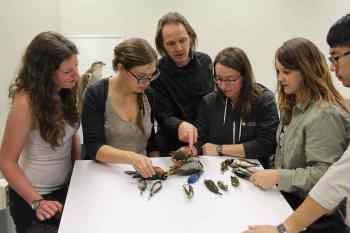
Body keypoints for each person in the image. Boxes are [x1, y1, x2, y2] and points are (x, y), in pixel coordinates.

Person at [243, 14, 350, 233]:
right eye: (279, 72)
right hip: (288, 201)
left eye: (287, 72)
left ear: (307, 70)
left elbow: (326, 176)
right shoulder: (291, 106)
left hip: (314, 217)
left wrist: (278, 176)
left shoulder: (324, 114)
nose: (281, 78)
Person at [0, 31, 81, 233]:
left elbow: (70, 136)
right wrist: (37, 202)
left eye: (76, 67)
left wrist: (78, 173)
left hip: (62, 189)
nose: (76, 75)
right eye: (67, 71)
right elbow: (6, 162)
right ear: (46, 73)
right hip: (33, 198)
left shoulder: (64, 91)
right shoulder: (25, 103)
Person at [82, 38, 159, 178]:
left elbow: (150, 140)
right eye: (141, 76)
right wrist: (132, 158)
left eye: (151, 76)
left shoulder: (148, 94)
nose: (147, 83)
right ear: (120, 68)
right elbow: (93, 148)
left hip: (141, 174)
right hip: (105, 174)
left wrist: (156, 166)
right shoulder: (97, 94)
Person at [194, 47, 279, 167]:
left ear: (245, 76)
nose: (223, 86)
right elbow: (201, 141)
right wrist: (191, 150)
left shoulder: (264, 100)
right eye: (218, 79)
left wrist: (220, 149)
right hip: (216, 169)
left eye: (230, 80)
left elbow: (267, 145)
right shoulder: (208, 102)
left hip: (255, 170)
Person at [151, 12, 214, 156]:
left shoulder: (206, 62)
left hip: (204, 144)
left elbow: (212, 104)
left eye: (182, 40)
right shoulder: (156, 72)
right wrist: (178, 125)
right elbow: (161, 114)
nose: (178, 48)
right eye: (171, 43)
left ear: (191, 37)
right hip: (170, 147)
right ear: (162, 45)